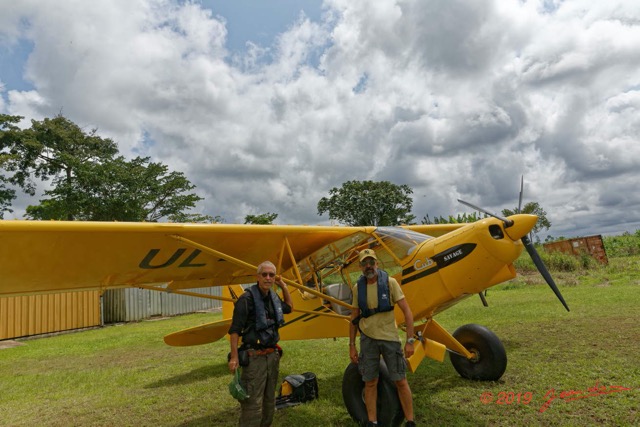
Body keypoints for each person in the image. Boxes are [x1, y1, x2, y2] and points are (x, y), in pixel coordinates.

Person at [349, 248, 416, 427]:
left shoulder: (391, 283)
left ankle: (410, 421)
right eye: (364, 263)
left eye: (371, 262)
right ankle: (373, 422)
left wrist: (410, 341)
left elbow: (408, 312)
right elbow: (353, 318)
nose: (368, 266)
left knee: (400, 380)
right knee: (370, 382)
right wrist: (352, 345)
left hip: (390, 338)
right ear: (360, 267)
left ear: (377, 264)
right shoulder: (358, 288)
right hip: (368, 340)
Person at [228, 261, 293, 427]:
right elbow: (235, 330)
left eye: (272, 275)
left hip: (272, 356)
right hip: (254, 358)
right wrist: (234, 357)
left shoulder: (273, 297)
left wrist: (283, 286)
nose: (268, 278)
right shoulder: (246, 299)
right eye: (264, 274)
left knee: (269, 402)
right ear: (258, 277)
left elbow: (289, 307)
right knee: (253, 405)